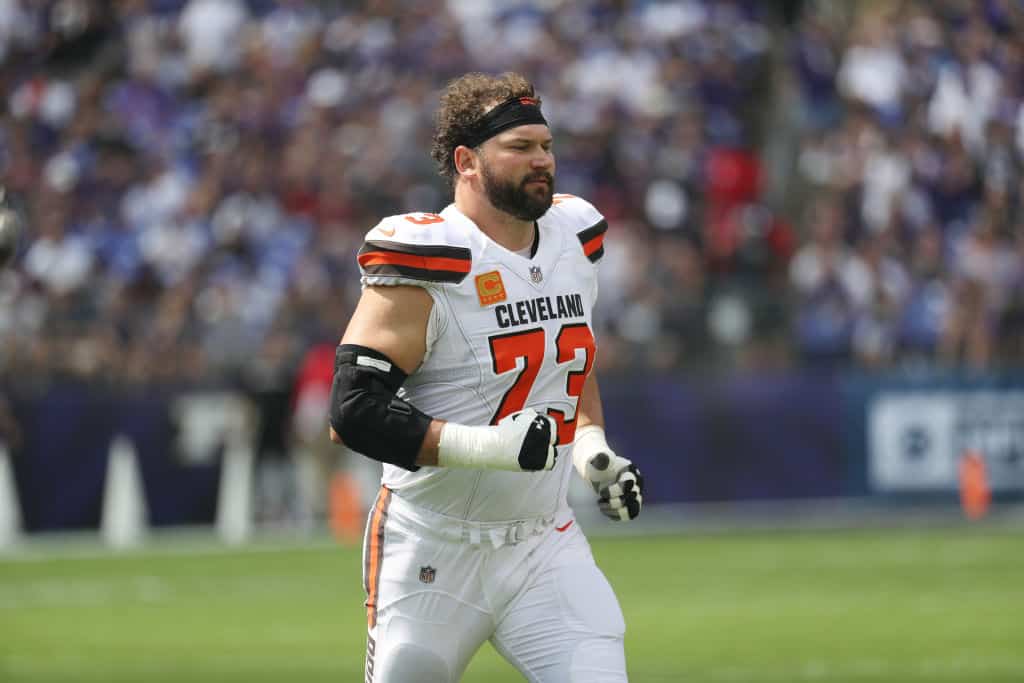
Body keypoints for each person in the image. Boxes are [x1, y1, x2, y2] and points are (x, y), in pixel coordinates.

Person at [329, 72, 643, 683]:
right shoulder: (432, 256)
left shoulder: (573, 235)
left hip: (542, 543)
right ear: (467, 161)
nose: (542, 161)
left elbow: (567, 365)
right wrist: (489, 447)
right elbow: (353, 412)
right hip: (433, 549)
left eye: (546, 146)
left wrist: (592, 449)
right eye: (520, 147)